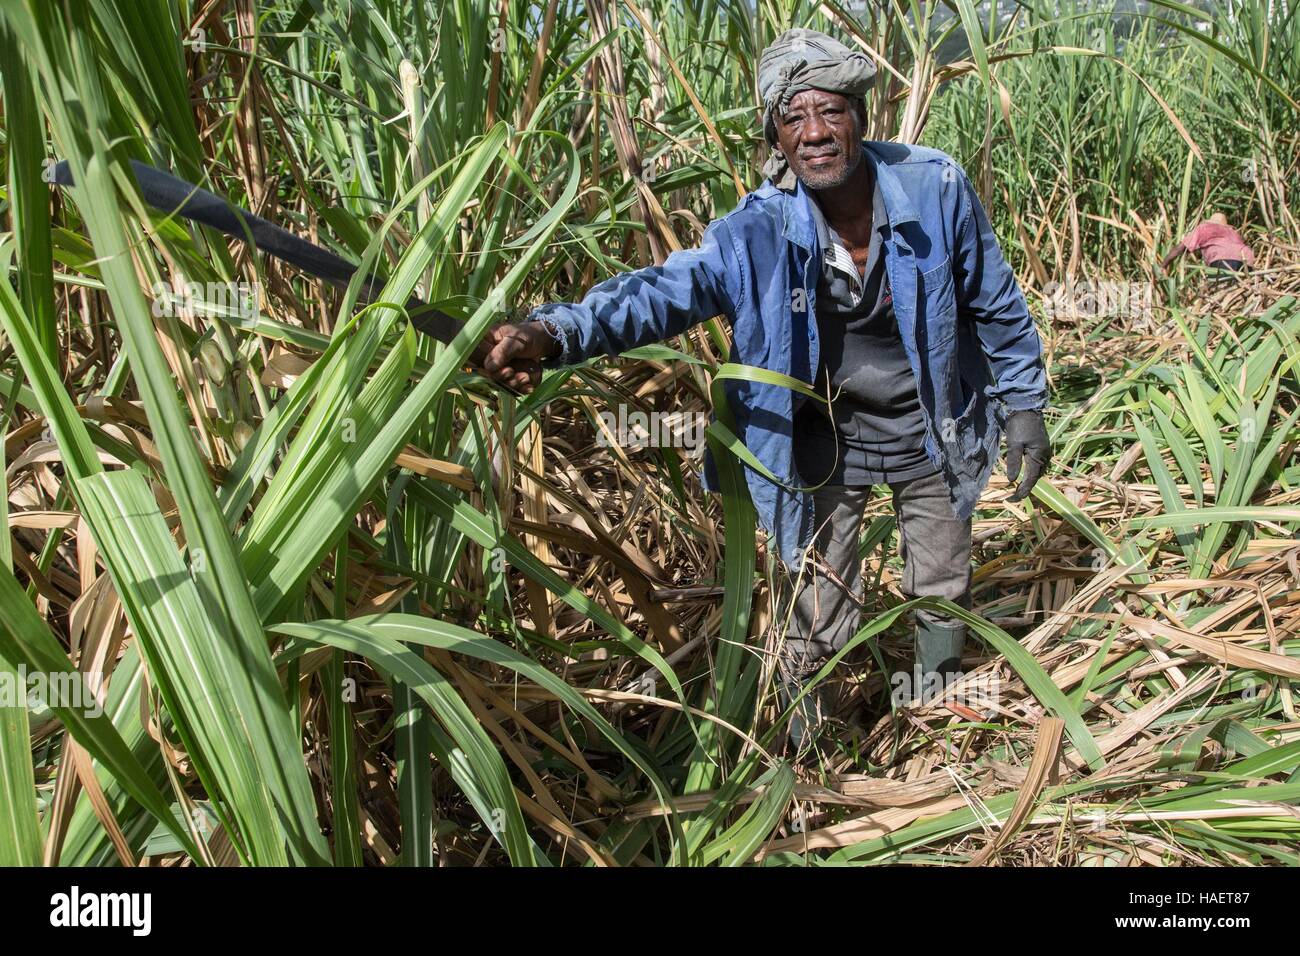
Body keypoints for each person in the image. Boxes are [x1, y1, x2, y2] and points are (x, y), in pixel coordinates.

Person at [479, 28, 1051, 754]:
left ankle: (935, 721)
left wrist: (1025, 404)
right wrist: (550, 333)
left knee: (941, 582)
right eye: (794, 118)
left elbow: (994, 301)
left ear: (860, 119)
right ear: (775, 136)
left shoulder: (934, 189)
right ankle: (813, 745)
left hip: (927, 426)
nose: (814, 133)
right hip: (823, 440)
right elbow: (659, 293)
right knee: (818, 602)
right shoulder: (753, 231)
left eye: (830, 112)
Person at [1160, 212, 1255, 276]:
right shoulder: (1232, 231)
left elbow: (1180, 248)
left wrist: (1164, 264)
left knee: (1220, 289)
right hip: (1247, 260)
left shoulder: (1205, 228)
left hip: (1224, 260)